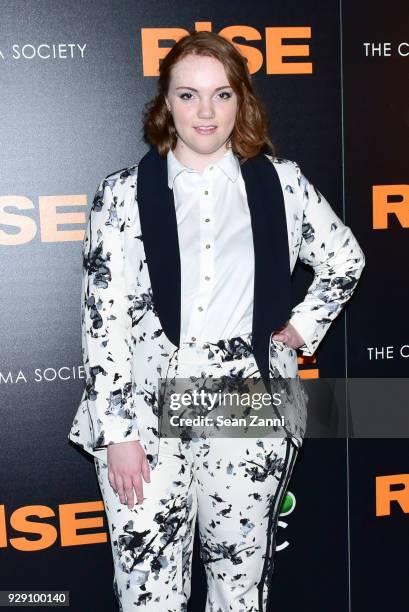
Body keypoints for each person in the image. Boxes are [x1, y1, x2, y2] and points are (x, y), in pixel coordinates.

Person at [68, 30, 365, 612]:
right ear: (165, 104)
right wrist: (118, 433)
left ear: (241, 102)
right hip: (144, 411)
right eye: (188, 95)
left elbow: (345, 258)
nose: (205, 111)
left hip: (245, 402)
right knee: (147, 592)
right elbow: (102, 320)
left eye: (222, 95)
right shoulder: (122, 195)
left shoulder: (282, 185)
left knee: (239, 587)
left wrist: (305, 324)